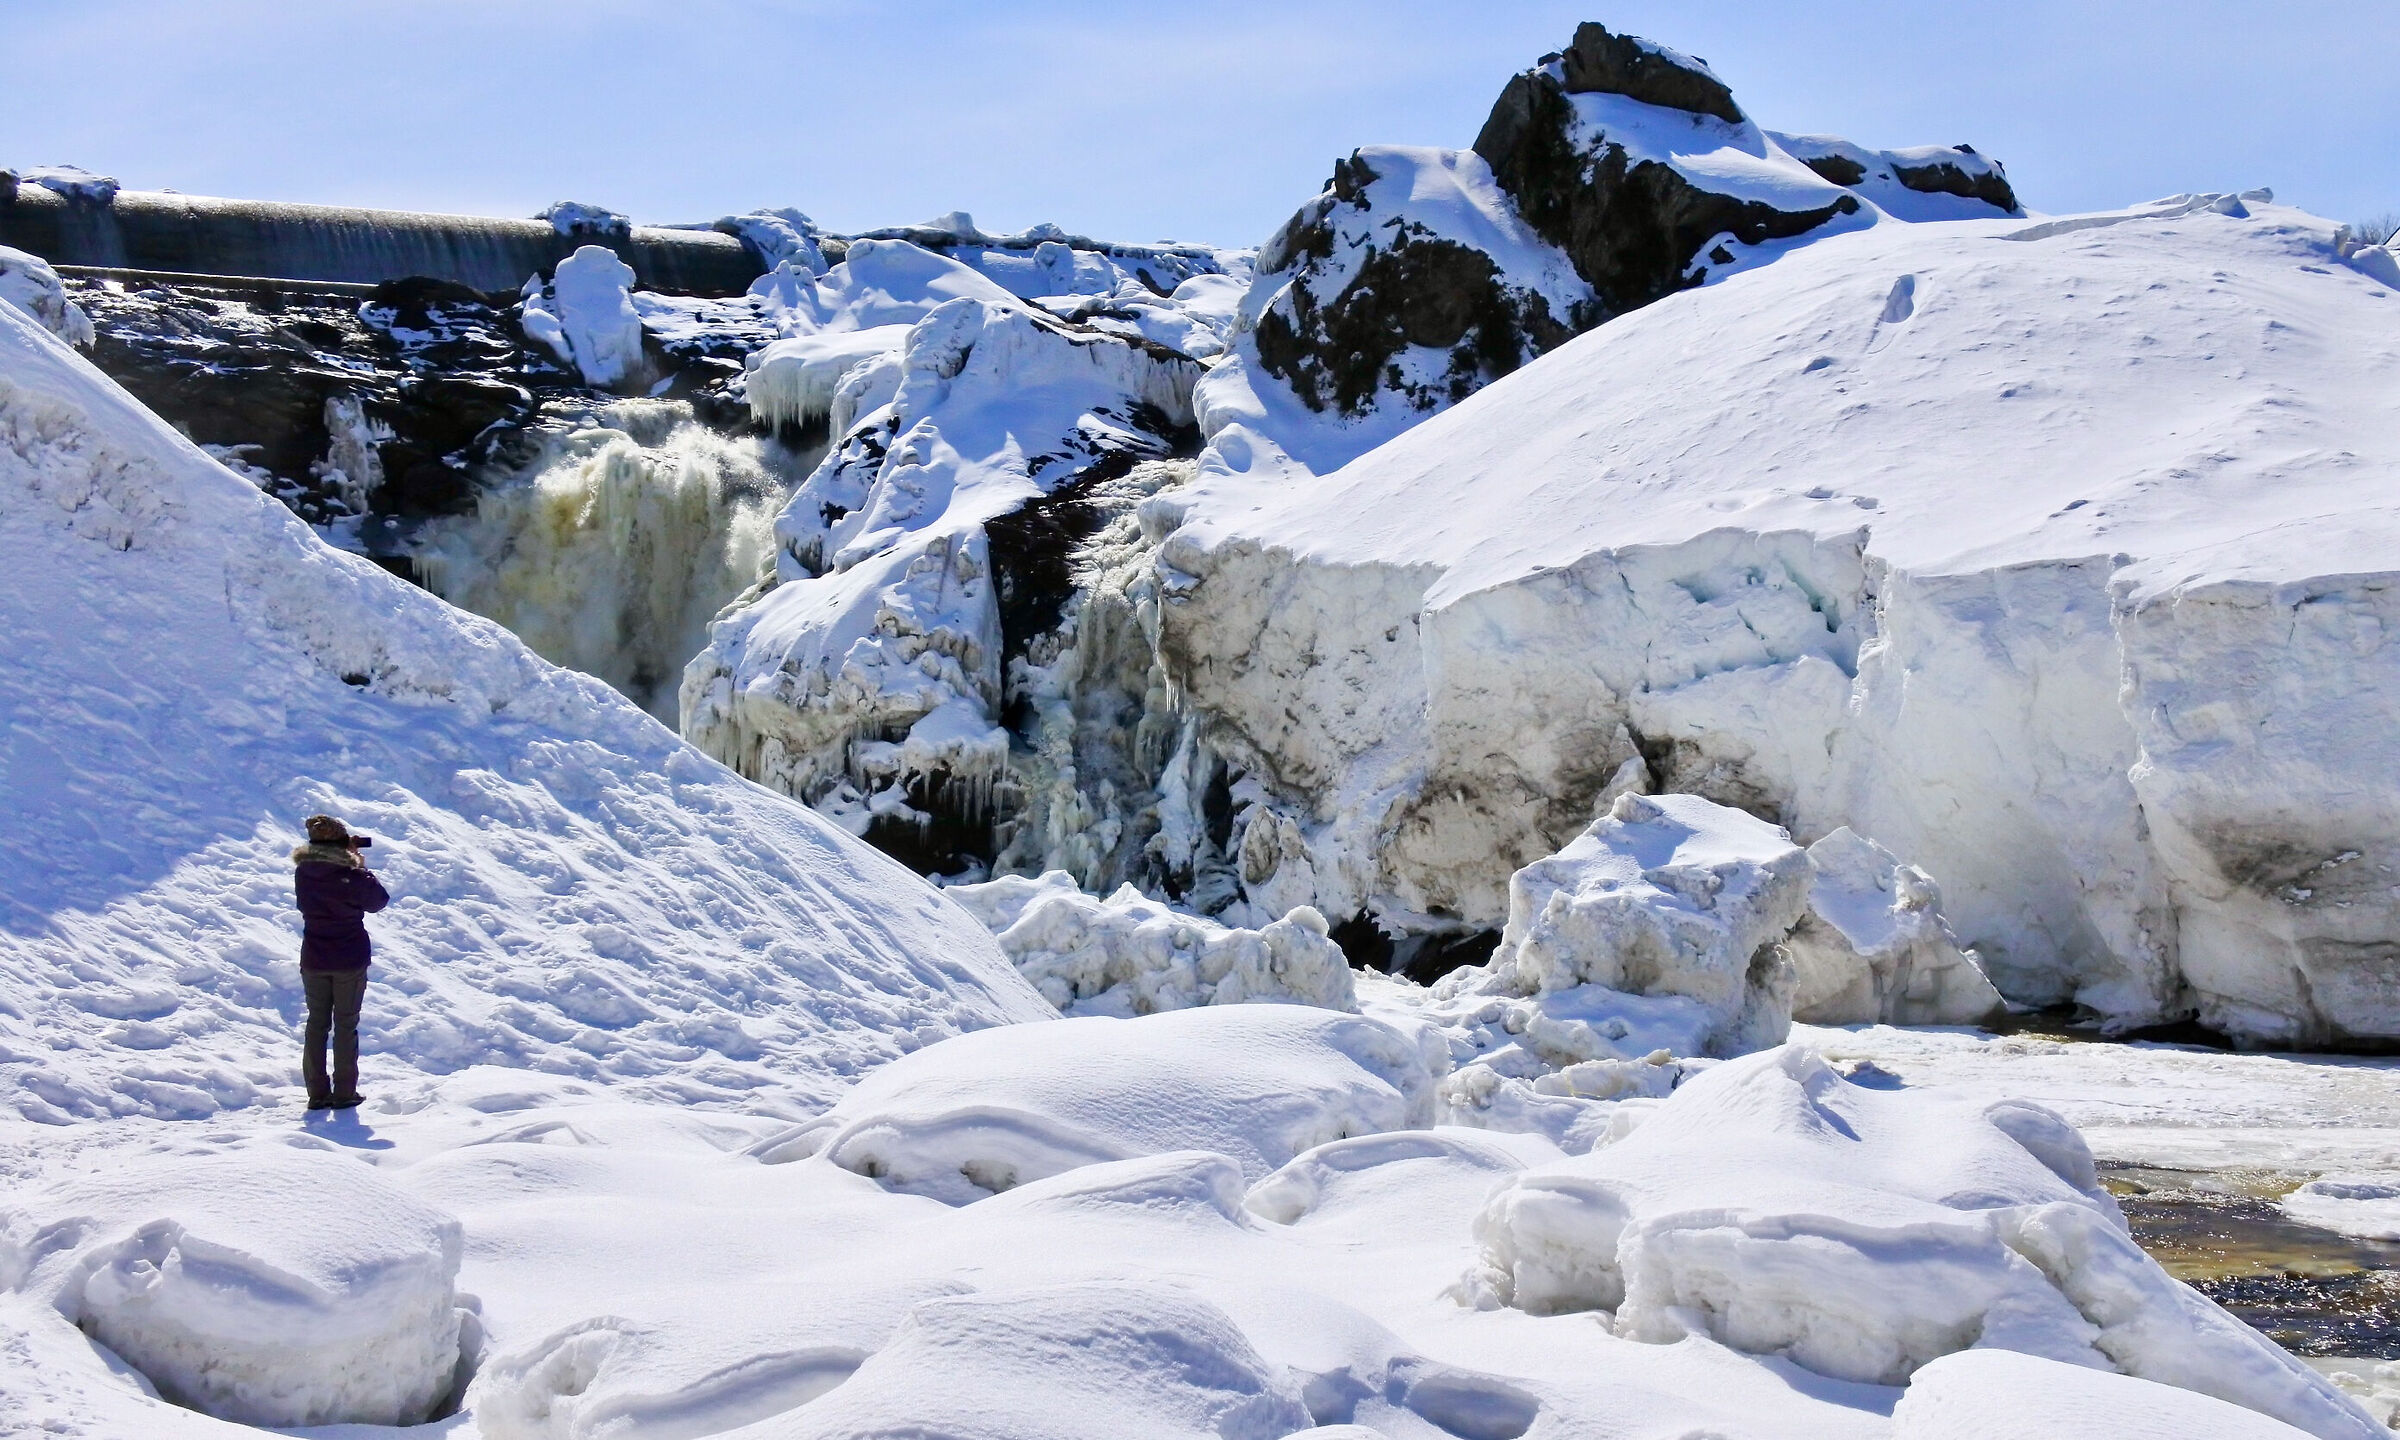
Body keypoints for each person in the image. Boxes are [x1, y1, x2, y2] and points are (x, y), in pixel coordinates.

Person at [291, 814, 389, 1111]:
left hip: (314, 957)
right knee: (345, 1024)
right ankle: (345, 1091)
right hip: (349, 958)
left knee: (316, 1024)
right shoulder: (351, 875)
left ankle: (317, 1093)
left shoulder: (304, 872)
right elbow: (378, 901)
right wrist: (360, 866)